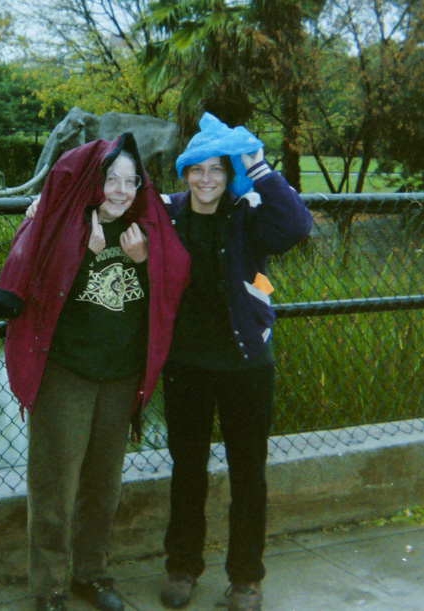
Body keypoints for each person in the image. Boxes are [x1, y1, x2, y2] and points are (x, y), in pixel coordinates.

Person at [0, 133, 190, 611]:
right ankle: (50, 587)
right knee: (55, 483)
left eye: (130, 181)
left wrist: (141, 263)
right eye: (110, 179)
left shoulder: (147, 230)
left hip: (120, 378)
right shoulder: (62, 224)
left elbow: (173, 280)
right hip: (66, 374)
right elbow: (28, 268)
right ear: (94, 182)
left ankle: (92, 574)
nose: (120, 190)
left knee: (104, 484)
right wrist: (70, 237)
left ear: (140, 186)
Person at [156, 113, 313, 611]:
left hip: (247, 364)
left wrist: (259, 167)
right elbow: (108, 207)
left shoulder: (249, 212)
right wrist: (39, 205)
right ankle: (182, 567)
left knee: (249, 473)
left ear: (229, 175)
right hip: (187, 365)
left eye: (217, 170)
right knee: (188, 471)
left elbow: (297, 225)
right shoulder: (167, 213)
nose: (206, 180)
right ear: (185, 174)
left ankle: (246, 577)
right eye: (196, 170)